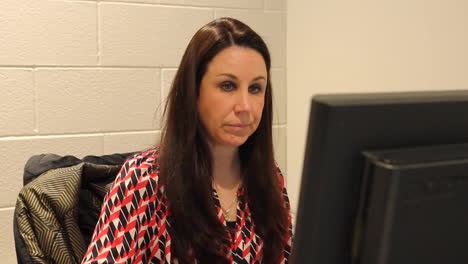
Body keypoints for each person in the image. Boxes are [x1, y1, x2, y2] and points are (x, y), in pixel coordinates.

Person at [81, 17, 292, 264]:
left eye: (255, 88)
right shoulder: (144, 179)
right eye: (227, 85)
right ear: (194, 92)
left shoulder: (269, 179)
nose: (245, 106)